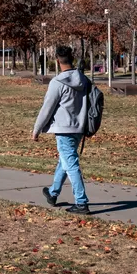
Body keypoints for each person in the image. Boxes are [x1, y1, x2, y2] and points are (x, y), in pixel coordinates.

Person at [32, 45, 91, 215]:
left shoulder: (57, 82)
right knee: (65, 161)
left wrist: (36, 129)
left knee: (71, 164)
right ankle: (53, 193)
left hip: (64, 128)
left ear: (57, 60)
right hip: (79, 127)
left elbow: (47, 108)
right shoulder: (83, 79)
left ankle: (81, 202)